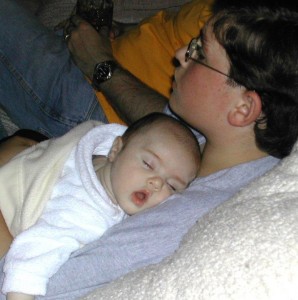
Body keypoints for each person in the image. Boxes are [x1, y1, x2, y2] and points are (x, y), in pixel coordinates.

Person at [1, 1, 298, 299]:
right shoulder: (238, 148)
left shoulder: (173, 223)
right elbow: (163, 125)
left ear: (244, 107)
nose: (181, 53)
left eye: (200, 52)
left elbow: (28, 288)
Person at [0, 112, 200, 299]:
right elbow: (30, 259)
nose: (156, 183)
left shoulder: (102, 159)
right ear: (115, 149)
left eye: (172, 186)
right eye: (148, 164)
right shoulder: (83, 212)